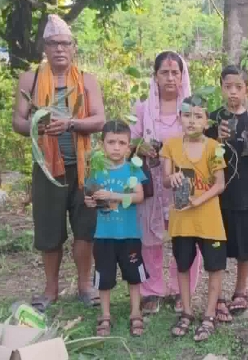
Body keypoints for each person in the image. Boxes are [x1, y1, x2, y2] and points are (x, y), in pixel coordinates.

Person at [12, 15, 106, 310]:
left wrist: (71, 123)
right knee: (49, 231)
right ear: (45, 47)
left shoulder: (87, 80)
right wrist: (39, 126)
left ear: (73, 47)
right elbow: (18, 121)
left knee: (85, 229)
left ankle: (84, 285)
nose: (60, 50)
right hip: (47, 167)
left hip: (85, 166)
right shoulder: (32, 78)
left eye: (65, 43)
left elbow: (100, 120)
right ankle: (50, 290)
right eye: (53, 44)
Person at [130, 51, 201, 315]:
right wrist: (141, 147)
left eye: (175, 72)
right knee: (150, 236)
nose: (170, 77)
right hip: (152, 182)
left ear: (182, 76)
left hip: (184, 181)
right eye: (164, 72)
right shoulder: (142, 109)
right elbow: (129, 143)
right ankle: (151, 290)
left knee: (186, 236)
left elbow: (203, 141)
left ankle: (183, 290)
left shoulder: (192, 109)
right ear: (155, 76)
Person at [162, 96, 227, 342]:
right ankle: (187, 313)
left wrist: (199, 200)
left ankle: (209, 315)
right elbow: (166, 180)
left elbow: (219, 184)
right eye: (187, 115)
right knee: (182, 264)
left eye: (198, 116)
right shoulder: (171, 145)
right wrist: (173, 180)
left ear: (206, 120)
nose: (192, 120)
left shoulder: (213, 147)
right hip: (182, 218)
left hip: (209, 218)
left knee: (214, 266)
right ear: (180, 118)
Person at [206, 66, 248, 318]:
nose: (233, 92)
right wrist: (217, 140)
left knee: (245, 245)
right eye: (228, 87)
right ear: (221, 87)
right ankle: (217, 295)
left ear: (246, 89)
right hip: (217, 195)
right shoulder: (212, 119)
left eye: (238, 87)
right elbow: (206, 159)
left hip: (244, 192)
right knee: (216, 245)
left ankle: (241, 291)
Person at [84, 121, 148, 338]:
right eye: (111, 142)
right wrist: (91, 201)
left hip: (129, 235)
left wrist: (113, 196)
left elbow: (139, 196)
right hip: (104, 236)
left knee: (133, 276)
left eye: (122, 143)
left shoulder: (133, 169)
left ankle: (135, 313)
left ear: (129, 147)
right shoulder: (96, 169)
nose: (116, 147)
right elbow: (91, 197)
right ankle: (105, 315)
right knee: (104, 277)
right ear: (103, 144)